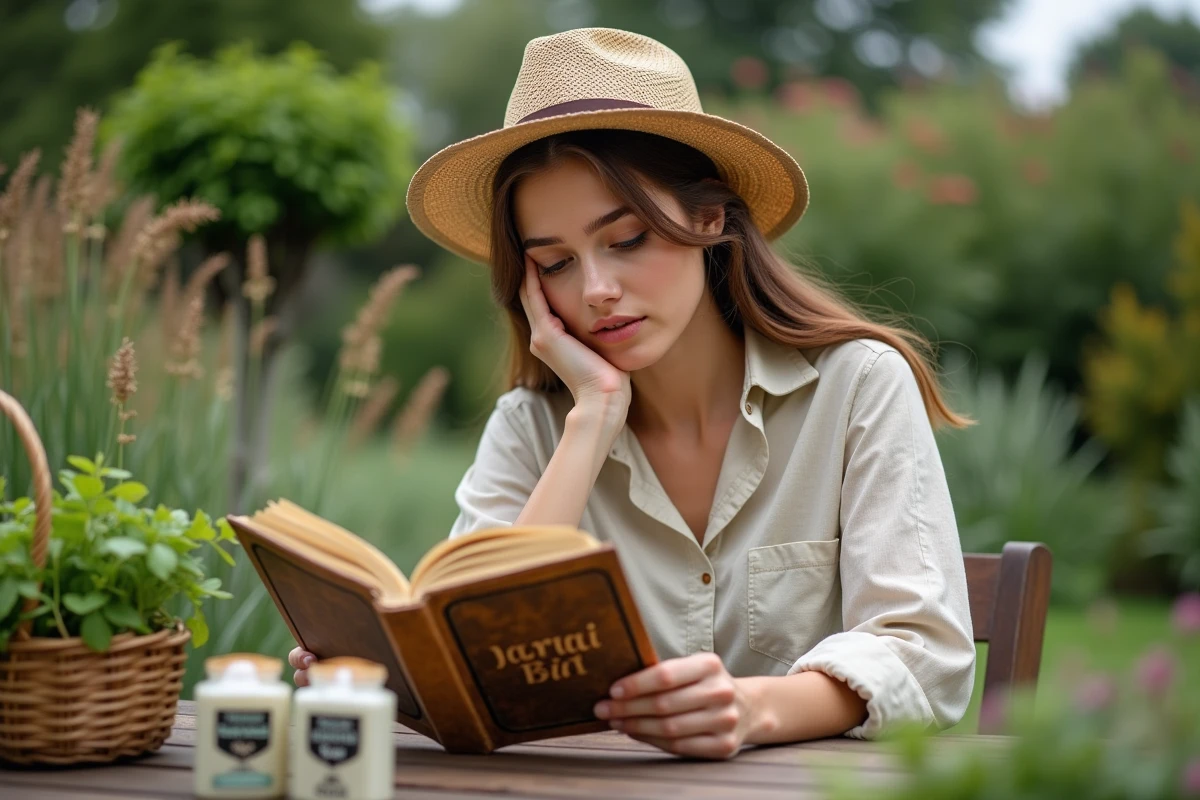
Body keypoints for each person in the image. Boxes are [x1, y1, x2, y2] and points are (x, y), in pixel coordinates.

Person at [290, 27, 976, 760]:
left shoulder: (857, 386)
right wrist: (591, 420)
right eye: (554, 262)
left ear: (709, 218)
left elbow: (924, 656)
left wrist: (751, 709)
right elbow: (476, 651)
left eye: (625, 241)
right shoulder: (533, 426)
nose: (596, 291)